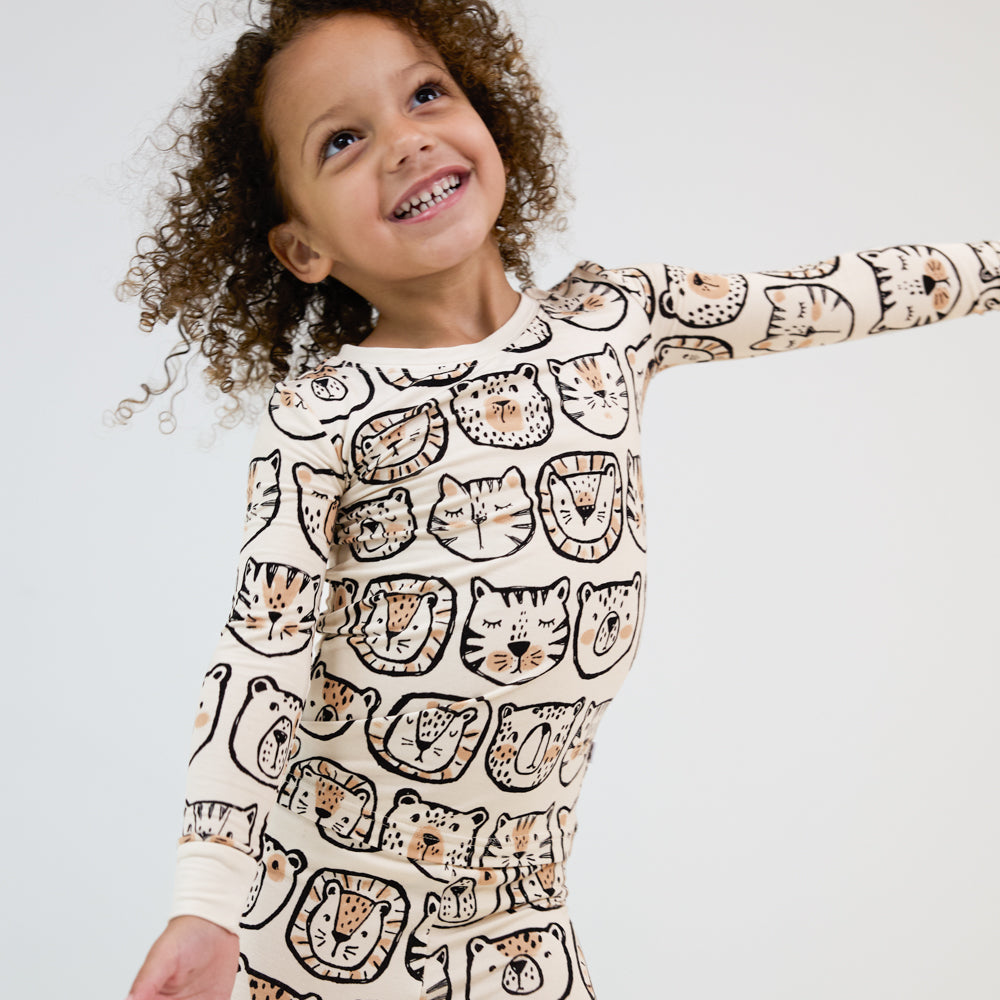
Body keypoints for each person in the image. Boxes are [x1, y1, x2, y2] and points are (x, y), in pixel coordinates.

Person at [121, 2, 1000, 998]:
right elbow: (257, 656)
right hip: (328, 922)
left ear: (486, 115)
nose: (405, 142)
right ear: (302, 250)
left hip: (519, 924)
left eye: (425, 94)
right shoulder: (326, 417)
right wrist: (205, 900)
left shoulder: (617, 319)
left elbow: (833, 292)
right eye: (343, 139)